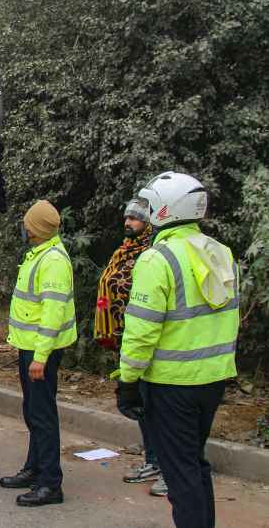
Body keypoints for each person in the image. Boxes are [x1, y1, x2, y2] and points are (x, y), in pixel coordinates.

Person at [116, 172, 239, 528]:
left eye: (151, 205)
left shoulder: (157, 259)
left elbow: (140, 333)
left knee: (180, 473)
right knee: (194, 465)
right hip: (213, 381)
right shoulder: (221, 253)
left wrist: (128, 382)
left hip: (173, 385)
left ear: (166, 209)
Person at [0, 200, 77, 507]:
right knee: (33, 412)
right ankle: (34, 469)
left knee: (42, 416)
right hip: (30, 347)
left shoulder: (53, 261)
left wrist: (41, 358)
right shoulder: (40, 254)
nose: (24, 227)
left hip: (39, 351)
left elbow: (53, 312)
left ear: (37, 229)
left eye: (28, 224)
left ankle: (50, 484)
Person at [95, 198, 167, 496]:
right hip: (129, 339)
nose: (129, 223)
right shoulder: (124, 251)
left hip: (151, 341)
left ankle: (168, 468)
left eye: (135, 219)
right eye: (127, 218)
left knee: (160, 407)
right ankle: (153, 459)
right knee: (143, 404)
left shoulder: (153, 255)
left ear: (148, 224)